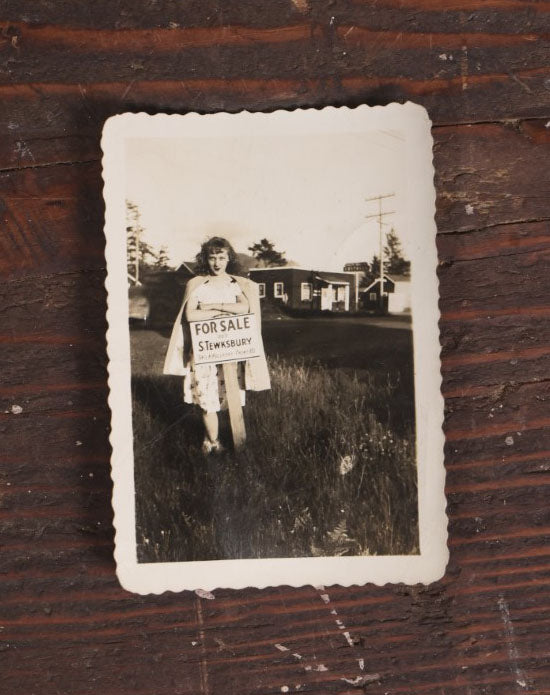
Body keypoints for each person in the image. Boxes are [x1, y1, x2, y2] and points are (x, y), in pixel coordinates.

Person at [163, 237, 271, 454]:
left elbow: (244, 308)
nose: (217, 263)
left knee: (229, 395)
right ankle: (214, 443)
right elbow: (191, 314)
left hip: (230, 350)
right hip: (205, 353)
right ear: (206, 259)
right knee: (206, 396)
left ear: (229, 258)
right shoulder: (197, 284)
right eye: (212, 257)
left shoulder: (235, 284)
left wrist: (213, 306)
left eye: (221, 257)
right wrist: (221, 311)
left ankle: (220, 441)